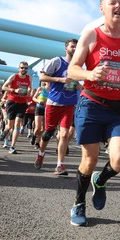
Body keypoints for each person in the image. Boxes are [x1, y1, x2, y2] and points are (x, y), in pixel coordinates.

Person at [67, 0, 120, 226]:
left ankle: (100, 180)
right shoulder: (91, 35)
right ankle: (79, 202)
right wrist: (90, 73)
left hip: (119, 108)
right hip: (91, 104)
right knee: (89, 161)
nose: (118, 7)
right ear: (102, 8)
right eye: (113, 3)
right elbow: (73, 69)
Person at [33, 38, 80, 176]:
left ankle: (59, 165)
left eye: (77, 47)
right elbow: (42, 77)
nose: (75, 49)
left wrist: (79, 86)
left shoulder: (78, 66)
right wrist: (59, 79)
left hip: (70, 103)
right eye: (72, 46)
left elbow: (79, 82)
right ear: (66, 48)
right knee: (48, 133)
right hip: (54, 102)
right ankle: (41, 154)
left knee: (65, 134)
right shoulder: (57, 61)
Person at [1, 61, 32, 154]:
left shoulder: (29, 77)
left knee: (18, 123)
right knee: (10, 125)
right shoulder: (14, 76)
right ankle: (5, 132)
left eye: (26, 68)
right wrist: (14, 90)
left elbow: (30, 87)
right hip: (12, 102)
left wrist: (29, 92)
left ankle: (13, 146)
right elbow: (4, 87)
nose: (24, 69)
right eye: (22, 68)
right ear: (19, 68)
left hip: (22, 103)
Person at [31, 82, 49, 149]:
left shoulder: (53, 90)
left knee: (43, 128)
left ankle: (37, 142)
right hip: (39, 108)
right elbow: (34, 98)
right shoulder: (41, 89)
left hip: (47, 109)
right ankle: (34, 136)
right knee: (38, 127)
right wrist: (39, 101)